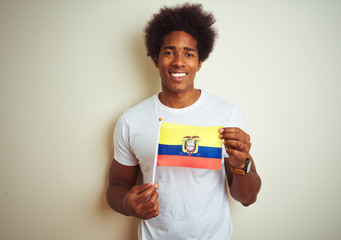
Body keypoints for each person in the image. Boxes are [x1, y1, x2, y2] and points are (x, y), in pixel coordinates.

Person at [107, 3, 261, 239]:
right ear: (156, 59)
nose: (179, 62)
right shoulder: (131, 120)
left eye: (189, 54)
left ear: (199, 63)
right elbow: (116, 186)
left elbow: (248, 198)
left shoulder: (227, 114)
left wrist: (242, 164)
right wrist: (126, 204)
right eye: (169, 52)